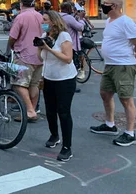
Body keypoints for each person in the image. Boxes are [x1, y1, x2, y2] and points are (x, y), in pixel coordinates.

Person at [90, 0, 136, 146]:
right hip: (110, 64)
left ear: (114, 6)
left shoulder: (126, 22)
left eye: (105, 4)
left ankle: (130, 133)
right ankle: (110, 125)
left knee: (126, 98)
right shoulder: (109, 21)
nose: (103, 6)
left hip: (124, 65)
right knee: (105, 94)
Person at [38, 10, 77, 161]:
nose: (42, 23)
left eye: (45, 20)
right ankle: (54, 135)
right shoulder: (45, 36)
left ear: (53, 22)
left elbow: (68, 58)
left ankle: (67, 147)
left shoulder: (63, 36)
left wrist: (48, 49)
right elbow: (41, 59)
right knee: (50, 110)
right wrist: (39, 47)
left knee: (64, 112)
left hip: (65, 79)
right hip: (48, 78)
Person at [8, 0, 43, 121]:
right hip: (39, 54)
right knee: (34, 84)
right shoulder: (40, 16)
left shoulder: (21, 17)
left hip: (24, 54)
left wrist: (11, 46)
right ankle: (32, 110)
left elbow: (13, 36)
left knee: (19, 83)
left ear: (21, 4)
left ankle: (29, 110)